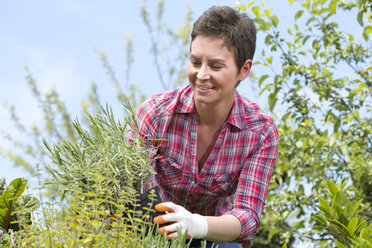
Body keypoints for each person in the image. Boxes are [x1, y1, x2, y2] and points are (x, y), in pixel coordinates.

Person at [135, 5, 279, 247]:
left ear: (244, 70)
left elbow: (247, 217)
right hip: (152, 229)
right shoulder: (155, 114)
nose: (201, 75)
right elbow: (129, 192)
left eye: (215, 66)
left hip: (214, 236)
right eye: (195, 62)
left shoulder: (260, 133)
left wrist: (197, 225)